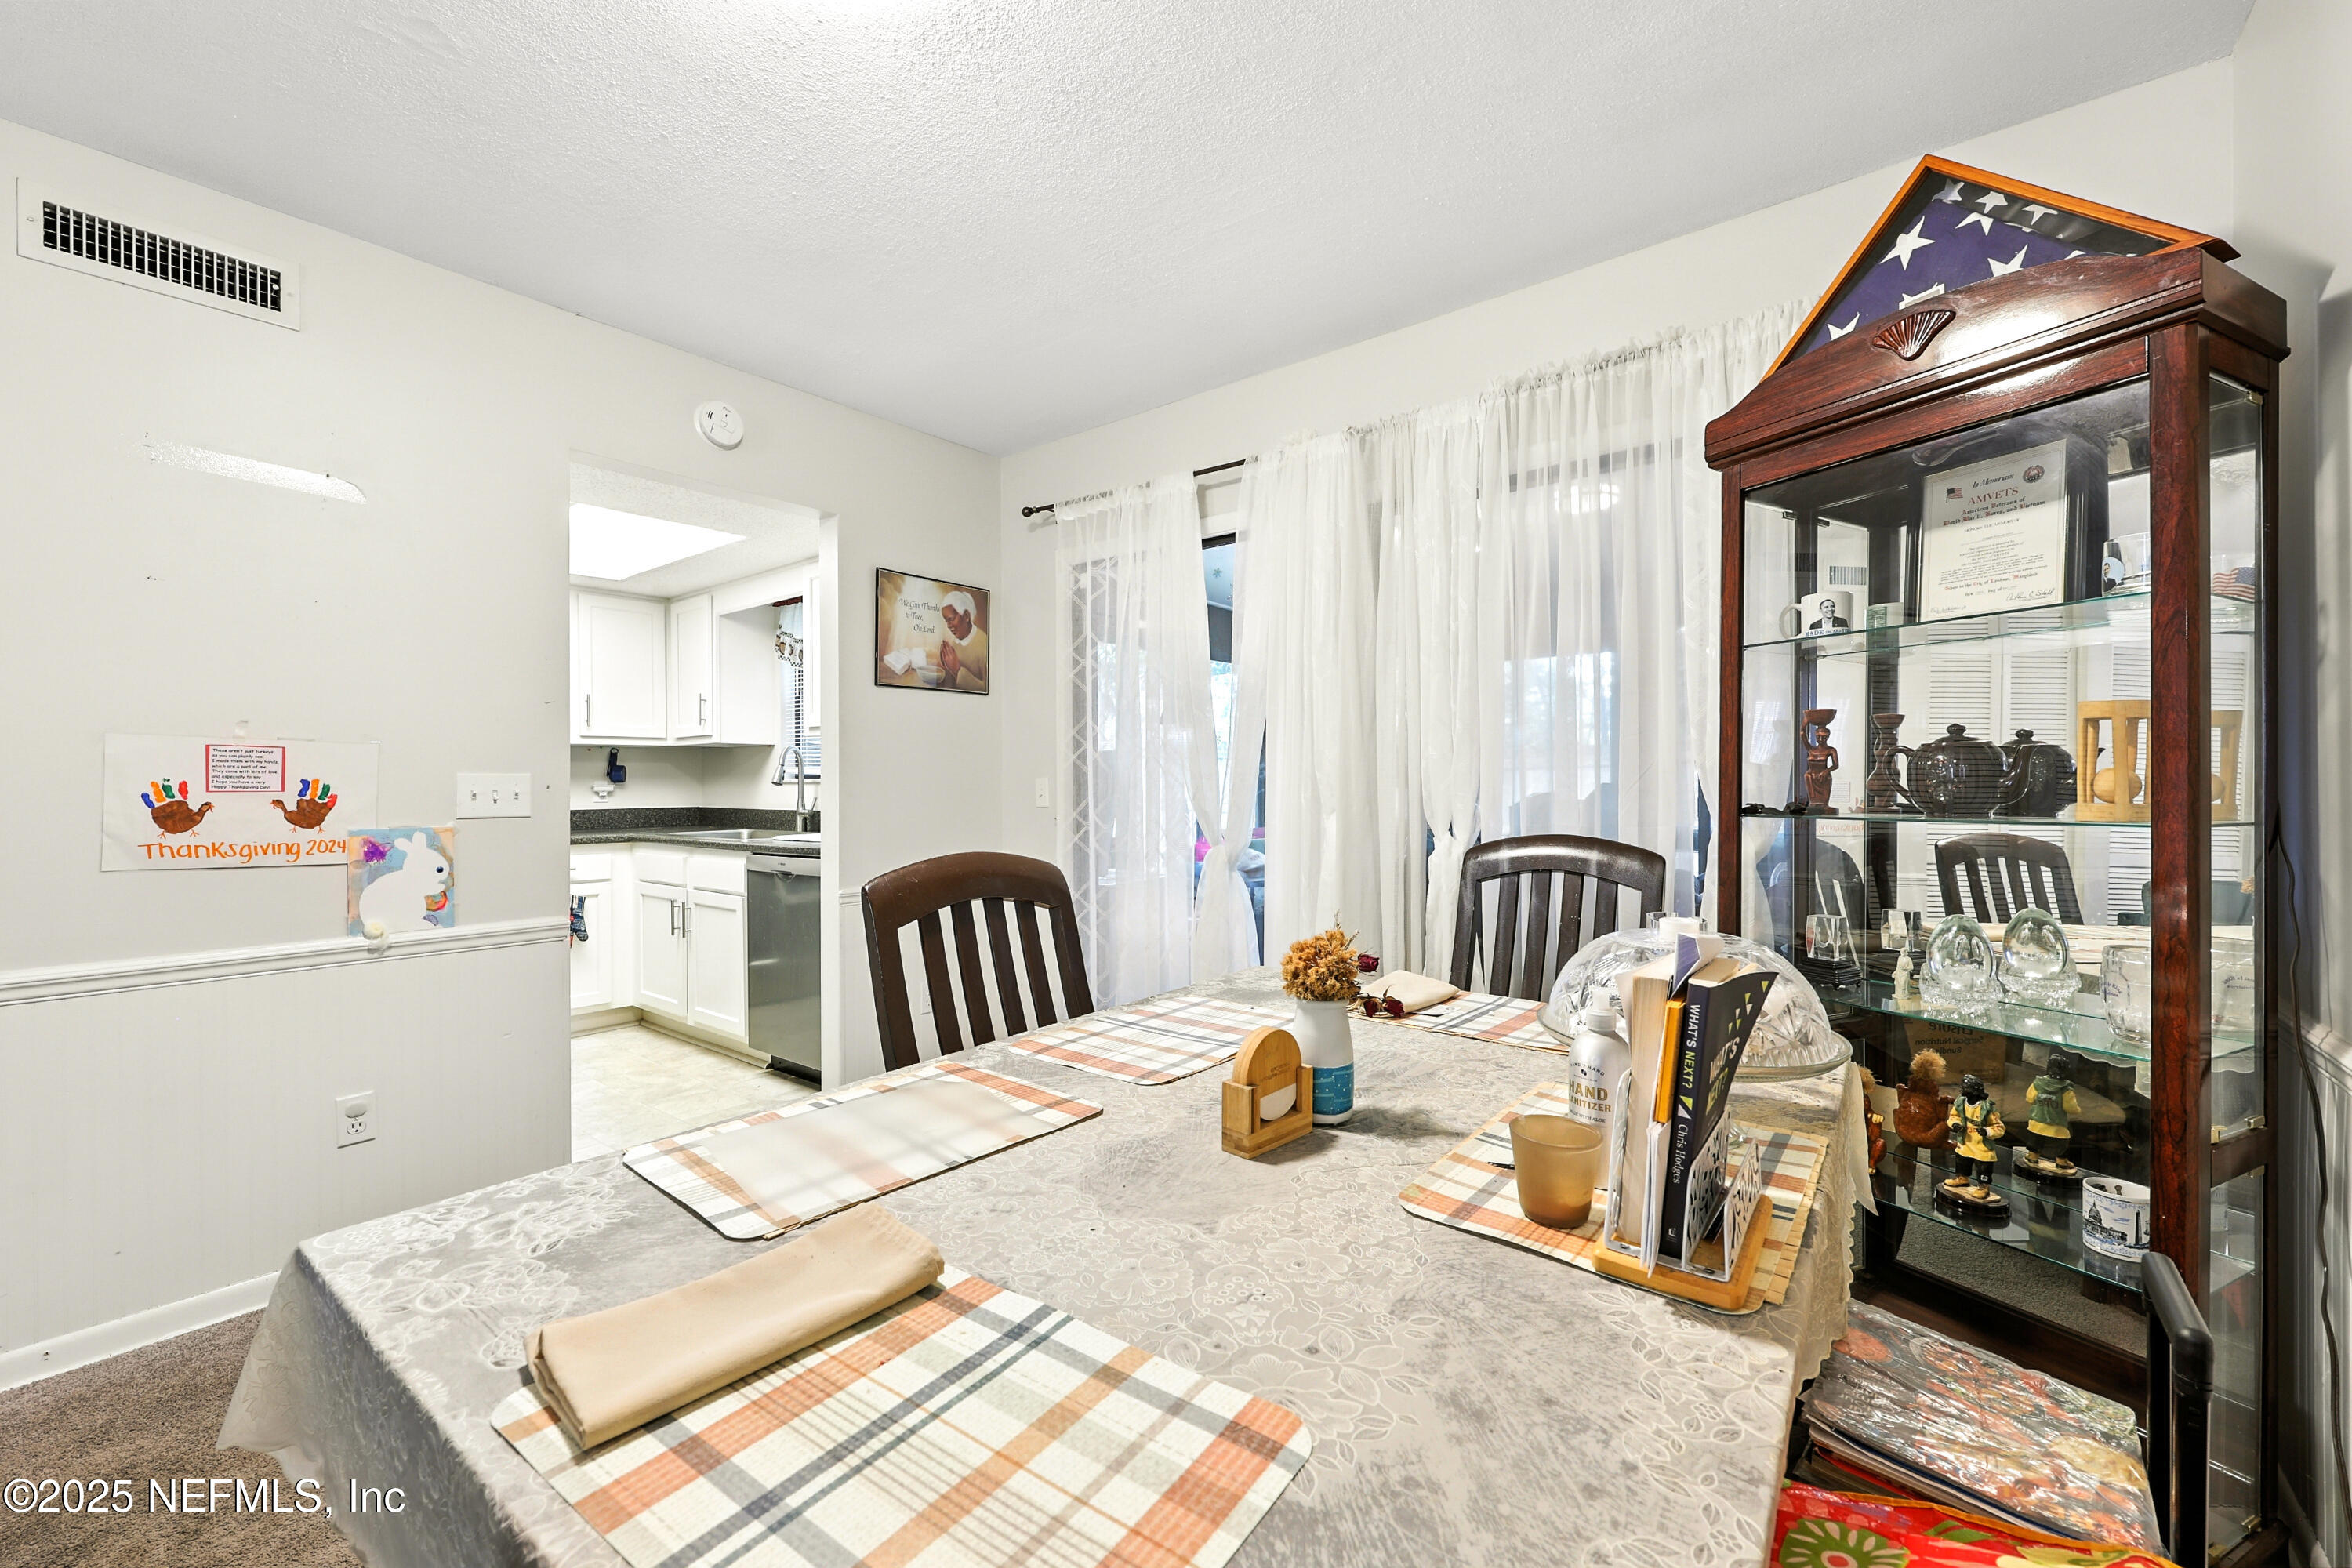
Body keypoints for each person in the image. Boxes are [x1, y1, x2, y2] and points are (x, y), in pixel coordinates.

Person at [938, 590, 989, 692]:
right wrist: (945, 663)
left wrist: (957, 670)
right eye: (946, 621)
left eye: (951, 619)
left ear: (966, 616)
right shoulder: (955, 643)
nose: (948, 626)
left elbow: (986, 689)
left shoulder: (985, 645)